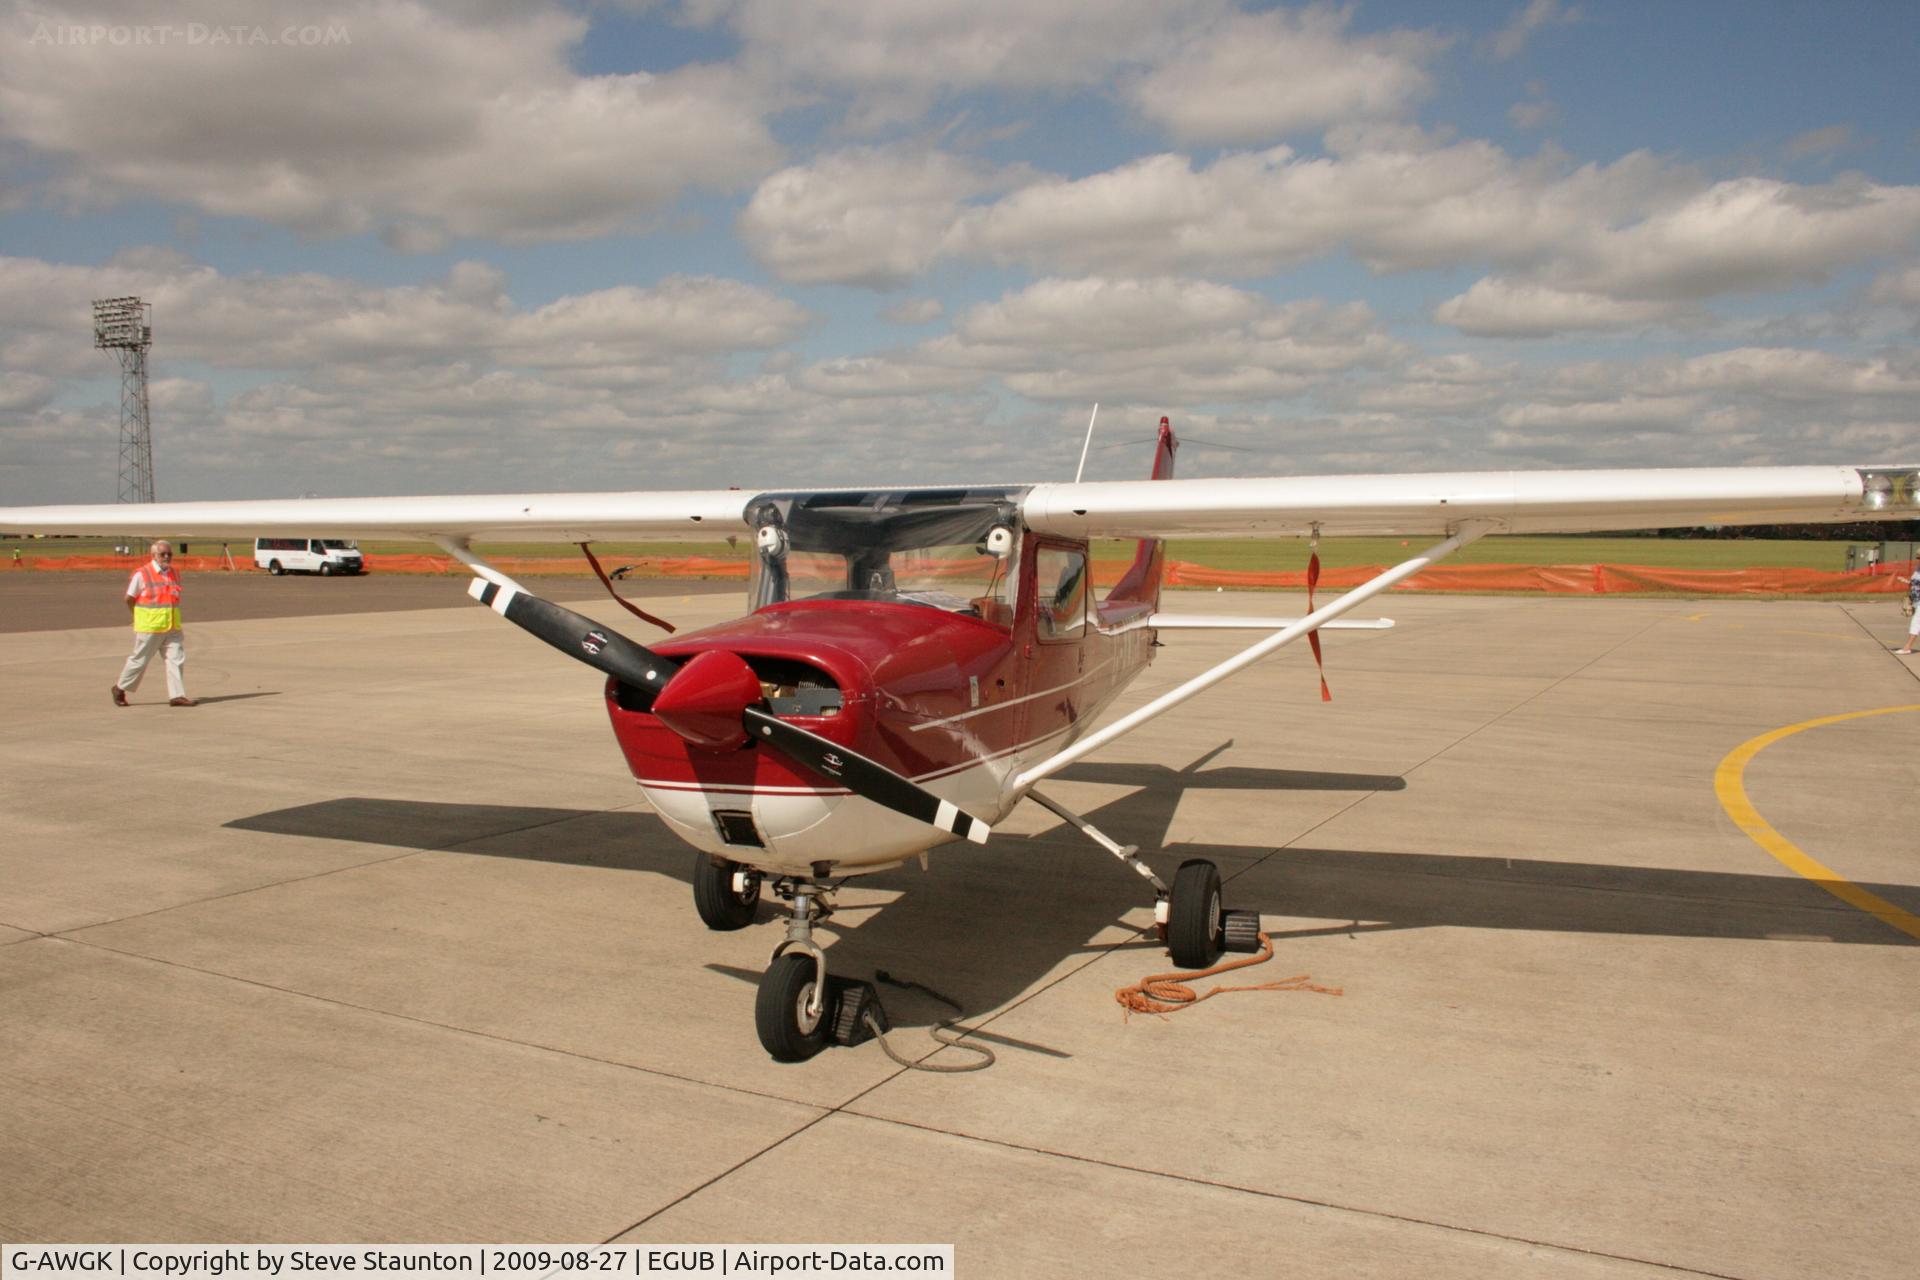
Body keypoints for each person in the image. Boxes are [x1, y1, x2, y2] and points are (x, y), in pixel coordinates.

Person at [113, 540, 194, 706]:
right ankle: (120, 688)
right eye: (162, 554)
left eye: (169, 554)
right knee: (139, 660)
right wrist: (136, 615)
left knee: (176, 659)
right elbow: (129, 598)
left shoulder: (175, 573)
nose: (166, 557)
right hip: (150, 627)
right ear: (154, 556)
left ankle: (177, 696)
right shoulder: (142, 574)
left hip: (172, 627)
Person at [1897, 566, 1920, 657]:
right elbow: (1913, 584)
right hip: (1916, 600)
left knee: (1916, 622)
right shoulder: (1917, 569)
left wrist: (1908, 581)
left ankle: (1907, 647)